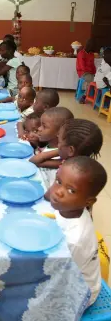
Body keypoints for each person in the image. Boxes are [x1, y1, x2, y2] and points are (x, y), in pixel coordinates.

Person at [49, 156, 107, 305]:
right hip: (70, 271)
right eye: (58, 181)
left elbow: (59, 274)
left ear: (88, 202)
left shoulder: (75, 240)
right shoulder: (70, 207)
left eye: (71, 190)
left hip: (80, 292)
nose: (59, 192)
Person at [43, 118, 103, 201]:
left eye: (59, 141)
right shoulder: (81, 166)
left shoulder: (69, 172)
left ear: (71, 150)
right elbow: (36, 161)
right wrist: (62, 149)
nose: (58, 144)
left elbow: (47, 196)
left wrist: (61, 150)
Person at [30, 107, 74, 188]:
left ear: (59, 132)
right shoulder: (50, 144)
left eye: (44, 126)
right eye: (40, 125)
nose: (39, 129)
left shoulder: (59, 157)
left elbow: (34, 161)